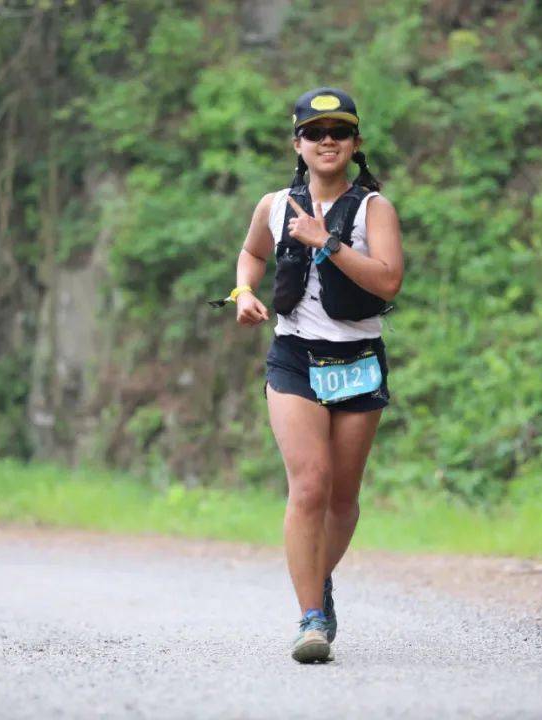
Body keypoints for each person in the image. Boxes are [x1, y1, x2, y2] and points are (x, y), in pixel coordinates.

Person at [222, 87, 403, 663]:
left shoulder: (375, 209)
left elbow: (389, 282)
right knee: (310, 485)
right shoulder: (273, 205)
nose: (328, 141)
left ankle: (316, 579)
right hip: (294, 355)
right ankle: (311, 620)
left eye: (339, 132)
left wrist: (327, 243)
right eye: (315, 132)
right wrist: (244, 292)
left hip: (356, 359)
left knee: (343, 499)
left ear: (355, 144)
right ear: (297, 142)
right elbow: (251, 254)